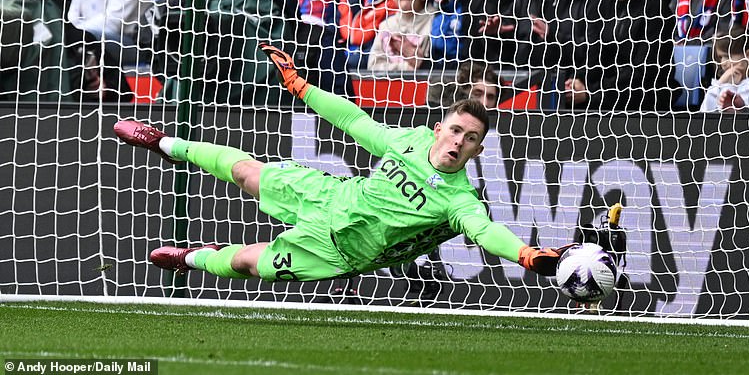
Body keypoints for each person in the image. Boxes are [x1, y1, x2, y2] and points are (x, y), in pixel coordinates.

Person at [114, 44, 569, 282]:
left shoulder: (460, 201)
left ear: (477, 152)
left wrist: (525, 254)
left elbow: (488, 232)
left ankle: (196, 259)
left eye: (470, 139)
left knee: (250, 264)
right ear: (439, 128)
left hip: (339, 253)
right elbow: (354, 119)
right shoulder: (406, 142)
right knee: (247, 172)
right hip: (332, 196)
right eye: (455, 130)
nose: (458, 141)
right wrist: (299, 85)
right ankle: (165, 142)